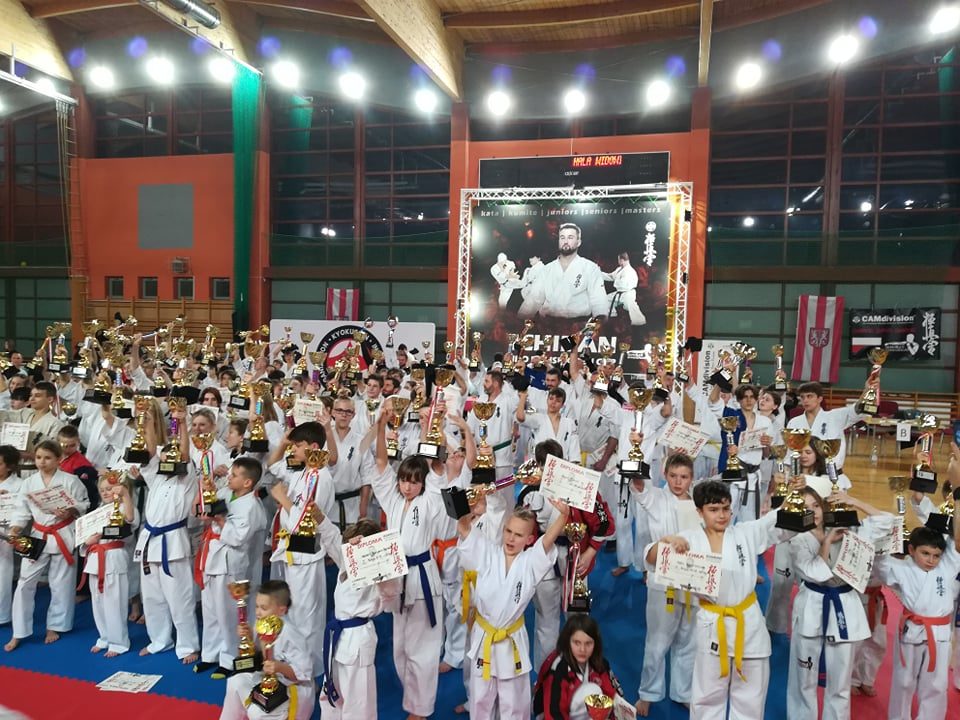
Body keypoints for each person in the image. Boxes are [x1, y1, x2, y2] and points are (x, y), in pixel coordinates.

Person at [647, 481, 799, 720]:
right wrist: (665, 541)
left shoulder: (745, 533)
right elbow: (651, 557)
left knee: (750, 696)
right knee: (707, 697)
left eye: (726, 509)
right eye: (713, 509)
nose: (721, 515)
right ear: (699, 511)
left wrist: (795, 499)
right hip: (712, 623)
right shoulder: (688, 539)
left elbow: (775, 522)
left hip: (748, 622)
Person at [457, 494, 570, 720]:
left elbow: (547, 540)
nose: (511, 538)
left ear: (529, 539)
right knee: (480, 701)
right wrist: (465, 511)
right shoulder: (488, 553)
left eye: (518, 535)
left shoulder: (530, 562)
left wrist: (564, 516)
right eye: (508, 531)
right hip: (485, 636)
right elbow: (464, 529)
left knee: (514, 703)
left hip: (511, 639)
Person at [785, 486, 892, 720]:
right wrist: (827, 543)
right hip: (812, 604)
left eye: (815, 505)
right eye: (805, 508)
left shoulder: (847, 529)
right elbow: (814, 572)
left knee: (840, 682)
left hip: (845, 604)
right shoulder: (797, 538)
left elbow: (887, 522)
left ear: (823, 506)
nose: (812, 512)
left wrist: (853, 501)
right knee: (803, 678)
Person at [370, 404, 446, 720]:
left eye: (414, 482)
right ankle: (412, 700)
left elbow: (436, 466)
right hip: (396, 577)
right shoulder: (393, 499)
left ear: (422, 483)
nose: (407, 486)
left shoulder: (429, 499)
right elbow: (381, 462)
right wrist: (380, 426)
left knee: (422, 649)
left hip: (422, 578)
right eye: (404, 480)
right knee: (400, 647)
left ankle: (421, 708)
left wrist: (431, 427)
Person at [878, 445, 960, 720]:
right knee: (903, 682)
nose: (931, 558)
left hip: (939, 628)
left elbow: (951, 544)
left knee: (935, 685)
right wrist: (920, 488)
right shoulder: (910, 564)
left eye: (934, 555)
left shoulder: (947, 560)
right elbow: (934, 527)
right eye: (925, 554)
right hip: (913, 628)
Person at [4, 439, 89, 651]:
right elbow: (21, 509)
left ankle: (55, 626)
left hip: (63, 533)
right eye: (39, 457)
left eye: (48, 458)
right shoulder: (29, 482)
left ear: (59, 459)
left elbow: (85, 504)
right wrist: (15, 528)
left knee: (61, 583)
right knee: (24, 583)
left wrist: (70, 510)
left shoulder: (71, 481)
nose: (42, 462)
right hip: (37, 534)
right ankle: (19, 631)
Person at [267, 420, 336, 679]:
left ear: (313, 447)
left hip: (306, 553)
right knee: (292, 612)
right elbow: (272, 466)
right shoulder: (302, 471)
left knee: (306, 617)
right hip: (291, 550)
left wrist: (282, 498)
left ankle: (309, 672)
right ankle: (294, 665)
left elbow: (306, 523)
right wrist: (284, 441)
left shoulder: (322, 477)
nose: (292, 449)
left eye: (298, 445)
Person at [631, 453, 698, 716]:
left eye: (684, 477)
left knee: (689, 639)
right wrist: (635, 462)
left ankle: (684, 692)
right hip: (663, 577)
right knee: (657, 640)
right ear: (665, 475)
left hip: (693, 578)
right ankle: (648, 693)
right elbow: (639, 487)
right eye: (673, 476)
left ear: (692, 478)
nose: (678, 482)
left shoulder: (699, 503)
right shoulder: (656, 497)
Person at [316, 514, 400, 719]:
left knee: (358, 702)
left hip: (357, 639)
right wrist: (318, 516)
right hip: (337, 638)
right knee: (330, 694)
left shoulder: (378, 574)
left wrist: (371, 553)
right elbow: (332, 537)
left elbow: (391, 590)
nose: (348, 549)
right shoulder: (347, 563)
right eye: (347, 545)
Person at [195, 457, 268, 678]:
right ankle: (210, 654)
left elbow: (238, 538)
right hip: (212, 557)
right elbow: (208, 510)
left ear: (247, 482)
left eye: (234, 475)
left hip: (230, 563)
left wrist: (220, 521)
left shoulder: (252, 506)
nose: (229, 477)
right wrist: (208, 492)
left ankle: (230, 658)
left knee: (227, 613)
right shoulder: (227, 493)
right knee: (210, 610)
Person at [218, 580, 315, 720]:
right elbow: (259, 656)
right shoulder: (261, 624)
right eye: (257, 606)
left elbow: (304, 674)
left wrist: (279, 667)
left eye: (263, 608)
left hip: (293, 690)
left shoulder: (292, 635)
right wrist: (248, 637)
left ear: (281, 610)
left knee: (257, 713)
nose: (258, 612)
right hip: (268, 681)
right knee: (235, 681)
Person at [80, 472, 137, 657]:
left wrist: (125, 495)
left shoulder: (125, 506)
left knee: (115, 603)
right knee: (98, 603)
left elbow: (130, 519)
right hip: (95, 558)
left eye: (110, 488)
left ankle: (118, 642)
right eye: (102, 489)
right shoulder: (98, 512)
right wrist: (87, 541)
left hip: (114, 558)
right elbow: (84, 537)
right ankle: (104, 637)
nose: (105, 492)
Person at [533, 614, 624, 720]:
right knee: (592, 691)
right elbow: (553, 712)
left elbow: (613, 695)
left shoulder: (600, 664)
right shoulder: (558, 669)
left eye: (588, 643)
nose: (582, 649)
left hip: (579, 709)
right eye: (577, 643)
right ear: (567, 642)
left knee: (602, 700)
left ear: (595, 644)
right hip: (549, 714)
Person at [518, 223, 608, 319]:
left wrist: (598, 323)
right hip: (548, 323)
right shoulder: (547, 270)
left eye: (570, 237)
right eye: (562, 237)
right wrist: (521, 320)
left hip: (580, 323)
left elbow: (599, 300)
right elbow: (533, 299)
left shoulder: (590, 268)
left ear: (578, 242)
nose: (565, 241)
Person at [0, 445, 23, 626]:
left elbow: (22, 512)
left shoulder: (19, 486)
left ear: (9, 466)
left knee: (2, 574)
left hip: (5, 531)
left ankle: (2, 615)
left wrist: (9, 498)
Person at [603, 252, 647, 325]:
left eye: (618, 260)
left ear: (622, 260)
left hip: (628, 294)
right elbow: (610, 276)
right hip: (619, 293)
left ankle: (640, 323)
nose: (618, 262)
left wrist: (615, 281)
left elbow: (623, 285)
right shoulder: (619, 269)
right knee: (605, 300)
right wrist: (599, 273)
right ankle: (612, 316)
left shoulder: (630, 271)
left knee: (632, 309)